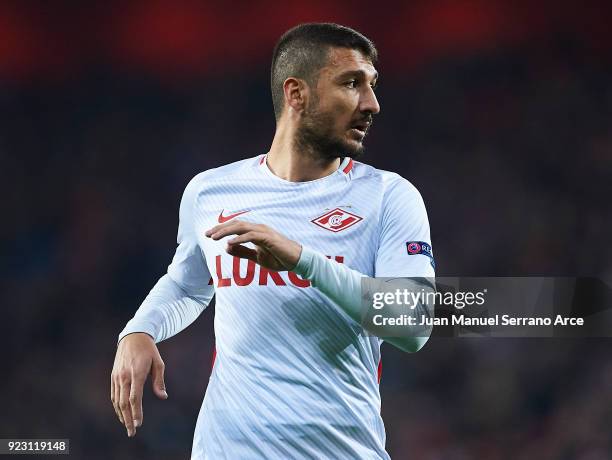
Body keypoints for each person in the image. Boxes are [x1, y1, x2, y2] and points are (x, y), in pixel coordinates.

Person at [111, 22, 435, 459]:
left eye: (372, 86)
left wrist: (302, 260)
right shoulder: (211, 191)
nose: (371, 104)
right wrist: (140, 330)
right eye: (352, 84)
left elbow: (413, 324)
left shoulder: (389, 197)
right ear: (296, 94)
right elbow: (188, 284)